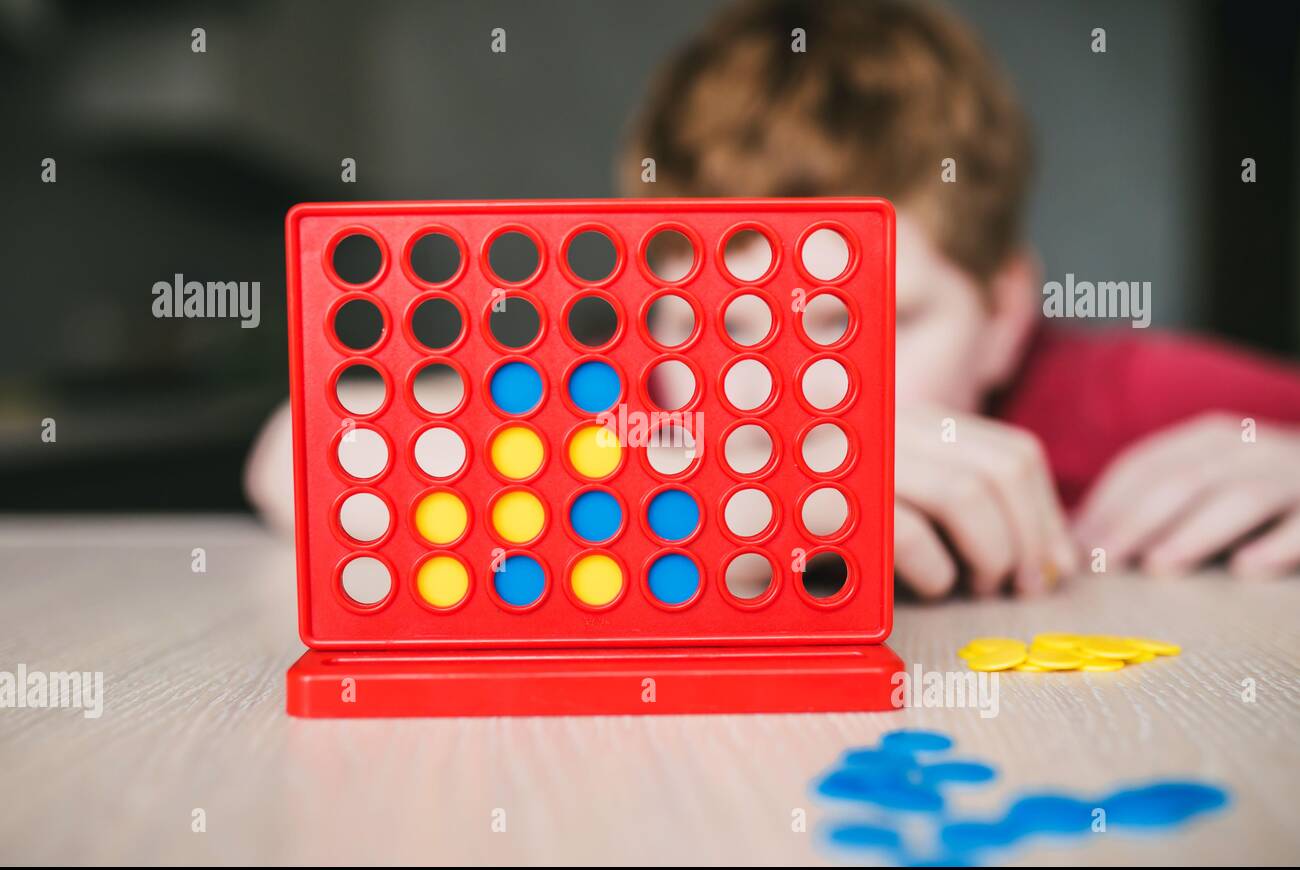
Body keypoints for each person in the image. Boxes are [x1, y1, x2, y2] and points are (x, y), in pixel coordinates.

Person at [246, 0, 1300, 597]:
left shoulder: (1110, 400)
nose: (778, 395)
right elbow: (299, 449)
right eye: (709, 324)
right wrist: (737, 489)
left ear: (1004, 314)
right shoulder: (618, 402)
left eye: (854, 325)